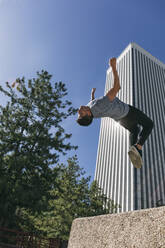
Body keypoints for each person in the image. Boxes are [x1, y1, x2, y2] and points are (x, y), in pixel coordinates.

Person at [77, 58, 154, 169]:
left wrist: (92, 94)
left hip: (120, 120)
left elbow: (91, 103)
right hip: (127, 112)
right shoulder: (100, 105)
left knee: (134, 130)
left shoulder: (91, 109)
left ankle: (134, 150)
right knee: (149, 124)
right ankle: (138, 147)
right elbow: (116, 87)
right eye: (81, 113)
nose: (79, 110)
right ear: (88, 114)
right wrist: (113, 67)